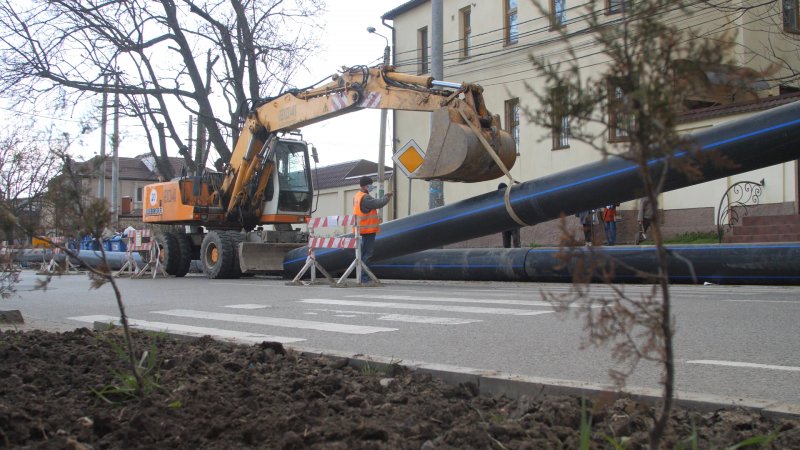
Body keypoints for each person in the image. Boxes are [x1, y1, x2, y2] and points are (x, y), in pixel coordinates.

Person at [353, 176, 393, 284]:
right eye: (370, 185)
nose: (371, 186)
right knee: (367, 254)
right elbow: (378, 203)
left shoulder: (357, 196)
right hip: (368, 229)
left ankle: (362, 276)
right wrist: (387, 197)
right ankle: (364, 277)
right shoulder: (365, 197)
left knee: (363, 253)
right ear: (366, 185)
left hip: (360, 228)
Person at [497, 183, 521, 248]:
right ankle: (508, 256)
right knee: (506, 244)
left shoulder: (511, 196)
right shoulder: (498, 199)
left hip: (514, 223)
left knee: (516, 243)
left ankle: (517, 255)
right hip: (505, 224)